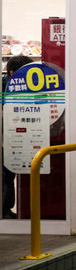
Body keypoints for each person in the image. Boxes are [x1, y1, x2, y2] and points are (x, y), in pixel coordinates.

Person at [2, 55, 33, 219]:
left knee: (10, 173)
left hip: (16, 137)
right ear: (13, 72)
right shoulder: (5, 87)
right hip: (6, 138)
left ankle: (7, 208)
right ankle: (5, 209)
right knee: (6, 174)